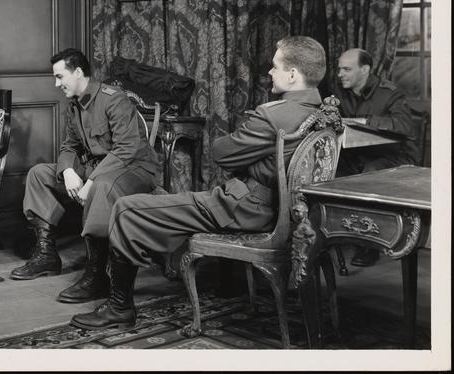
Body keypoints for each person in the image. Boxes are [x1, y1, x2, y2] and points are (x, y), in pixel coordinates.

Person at [70, 35, 328, 330]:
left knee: (127, 208)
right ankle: (185, 265)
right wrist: (258, 163)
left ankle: (119, 307)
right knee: (159, 203)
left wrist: (252, 163)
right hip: (283, 213)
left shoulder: (273, 115)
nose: (270, 72)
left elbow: (221, 152)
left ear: (292, 75)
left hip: (244, 206)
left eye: (275, 67)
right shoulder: (323, 114)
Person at [10, 48, 159, 305]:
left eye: (59, 77)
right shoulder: (75, 106)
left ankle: (97, 274)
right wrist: (68, 171)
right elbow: (70, 146)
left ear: (78, 72)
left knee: (101, 186)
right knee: (40, 174)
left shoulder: (114, 99)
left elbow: (127, 149)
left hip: (134, 170)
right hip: (100, 169)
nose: (56, 84)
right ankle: (46, 256)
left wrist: (90, 181)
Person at [334, 48, 416, 267]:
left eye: (347, 69)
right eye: (339, 69)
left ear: (365, 69)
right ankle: (335, 233)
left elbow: (405, 126)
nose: (340, 74)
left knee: (369, 174)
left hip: (394, 157)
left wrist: (366, 121)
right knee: (329, 170)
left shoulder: (389, 93)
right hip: (359, 155)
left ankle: (369, 244)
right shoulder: (340, 92)